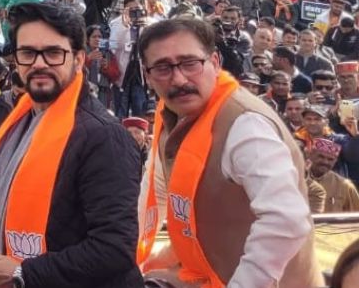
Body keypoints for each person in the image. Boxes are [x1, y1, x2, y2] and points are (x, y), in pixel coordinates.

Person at [137, 17, 319, 287]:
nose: (178, 78)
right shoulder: (172, 114)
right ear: (147, 75)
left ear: (214, 62)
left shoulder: (245, 124)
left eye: (190, 63)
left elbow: (287, 220)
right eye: (163, 68)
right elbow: (160, 189)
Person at [0, 2, 142, 288]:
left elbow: (115, 248)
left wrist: (23, 272)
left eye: (54, 53)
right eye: (28, 53)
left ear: (79, 60)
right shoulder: (20, 122)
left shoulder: (103, 136)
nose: (39, 63)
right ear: (16, 61)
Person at [307, 138, 359, 213]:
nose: (325, 162)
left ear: (335, 161)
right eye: (321, 157)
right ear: (310, 155)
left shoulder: (344, 185)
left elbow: (356, 216)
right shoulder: (297, 178)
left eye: (330, 159)